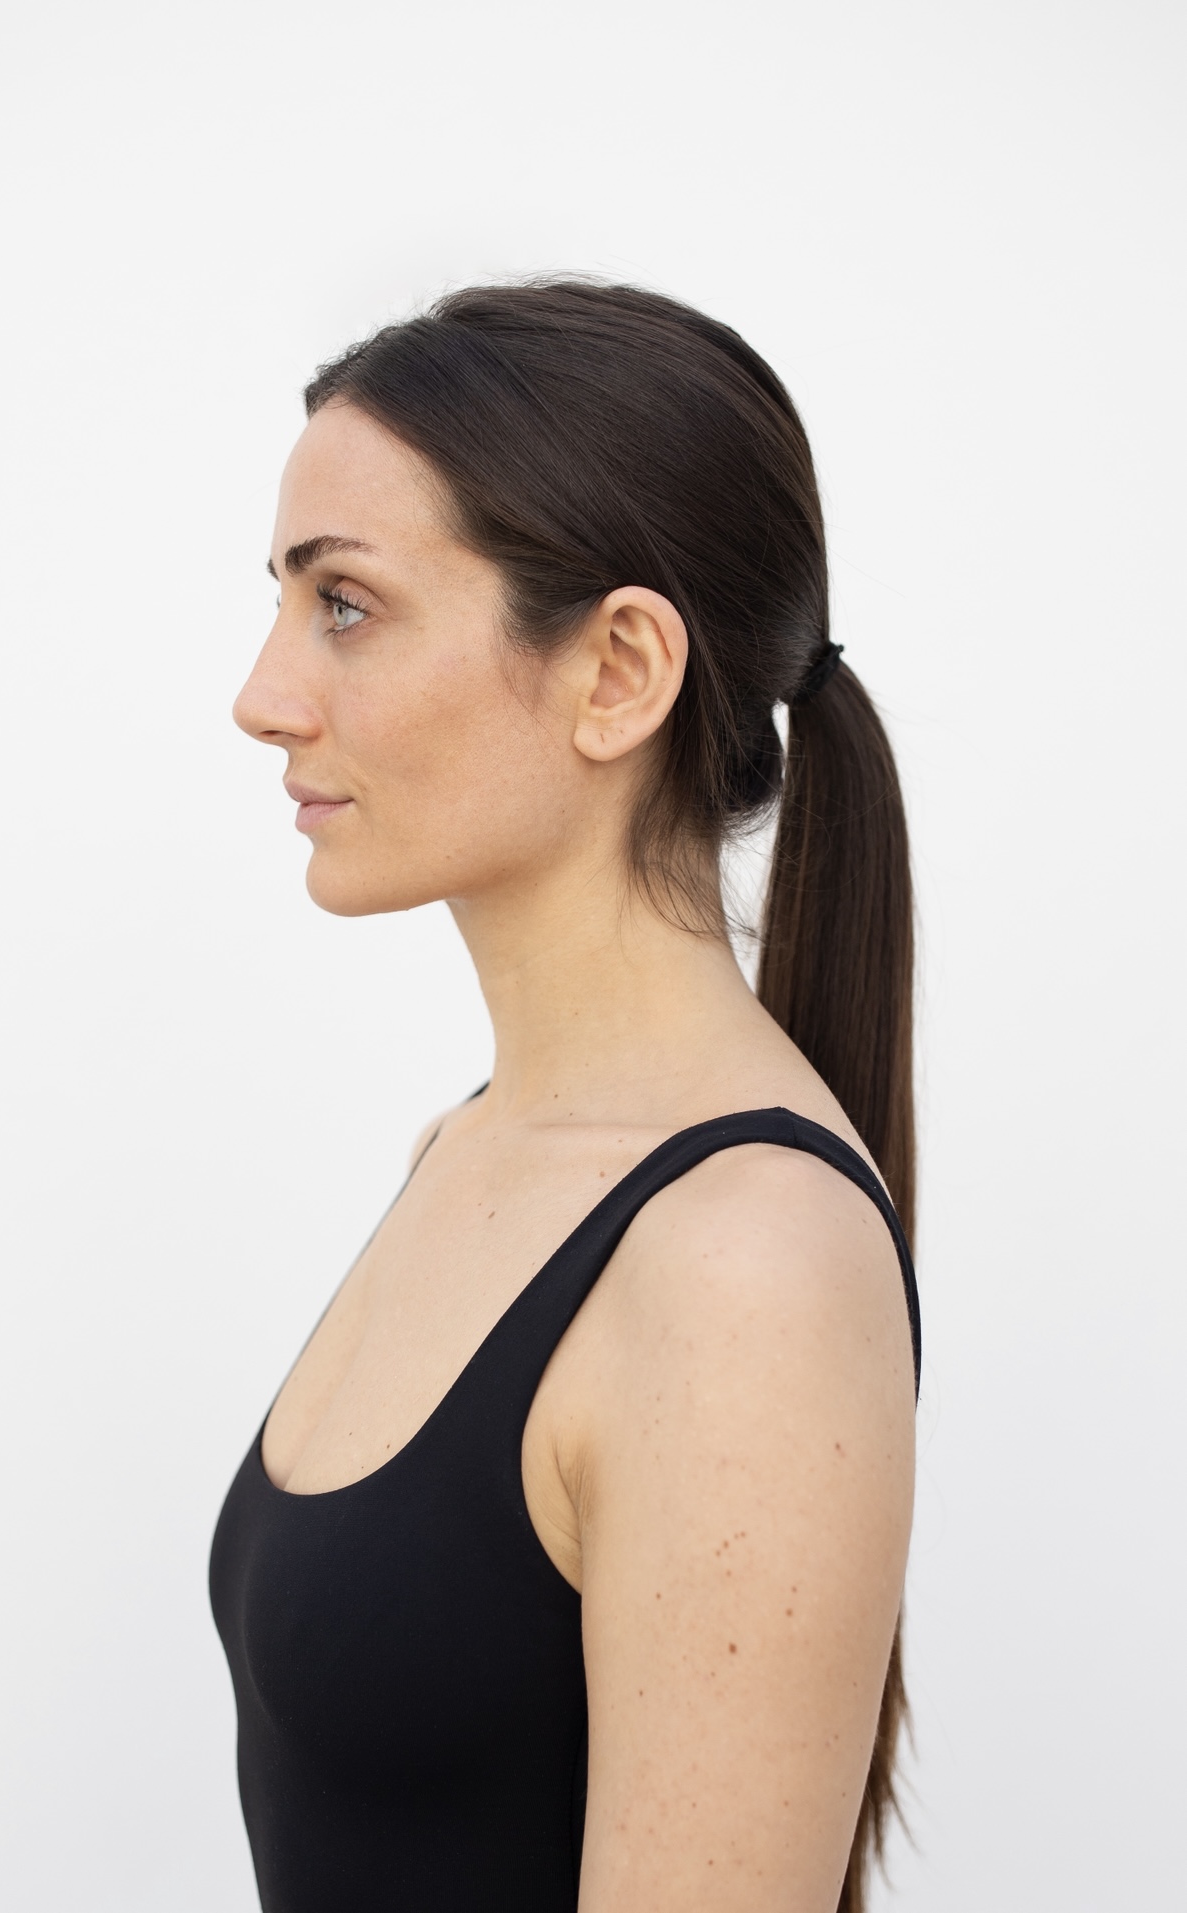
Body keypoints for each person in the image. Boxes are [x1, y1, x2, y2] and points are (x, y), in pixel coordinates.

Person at [210, 280, 921, 1913]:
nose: (263, 694)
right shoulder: (466, 1150)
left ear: (617, 669)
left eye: (344, 604)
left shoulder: (742, 1266)